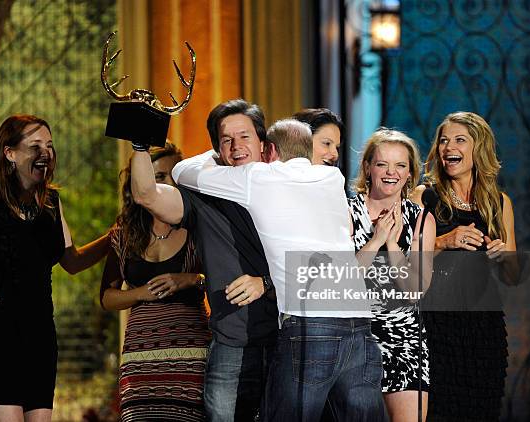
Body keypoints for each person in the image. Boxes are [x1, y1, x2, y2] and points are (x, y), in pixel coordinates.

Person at [172, 119, 386, 422]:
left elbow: (182, 172)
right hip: (358, 324)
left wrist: (218, 151)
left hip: (312, 326)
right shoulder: (331, 178)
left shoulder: (258, 176)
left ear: (269, 150)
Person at [0, 115, 109, 421]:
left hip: (40, 333)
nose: (45, 153)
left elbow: (73, 261)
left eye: (50, 146)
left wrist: (113, 238)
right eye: (35, 145)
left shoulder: (52, 202)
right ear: (10, 153)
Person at [130, 99, 278, 421]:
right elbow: (146, 195)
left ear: (263, 144)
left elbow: (316, 267)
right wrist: (140, 144)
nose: (237, 146)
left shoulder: (288, 191)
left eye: (245, 136)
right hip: (230, 344)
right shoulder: (204, 198)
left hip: (286, 342)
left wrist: (264, 283)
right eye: (227, 140)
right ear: (217, 150)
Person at [411, 111, 517, 421]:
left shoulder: (499, 202)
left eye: (459, 140)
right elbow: (403, 259)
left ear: (478, 148)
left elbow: (511, 276)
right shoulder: (424, 196)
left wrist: (502, 256)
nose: (448, 147)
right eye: (443, 141)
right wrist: (445, 241)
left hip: (484, 329)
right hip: (435, 325)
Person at [100, 143, 210, 421]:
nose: (169, 184)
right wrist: (141, 293)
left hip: (191, 359)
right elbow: (107, 297)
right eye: (159, 177)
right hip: (140, 362)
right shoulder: (123, 234)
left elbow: (225, 282)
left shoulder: (200, 227)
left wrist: (192, 279)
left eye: (175, 175)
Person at [348, 128, 435, 421]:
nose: (391, 172)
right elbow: (344, 280)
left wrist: (392, 244)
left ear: (410, 173)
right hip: (355, 337)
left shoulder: (421, 219)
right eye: (382, 163)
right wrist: (375, 240)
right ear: (368, 167)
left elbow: (416, 290)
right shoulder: (345, 211)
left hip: (405, 341)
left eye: (400, 165)